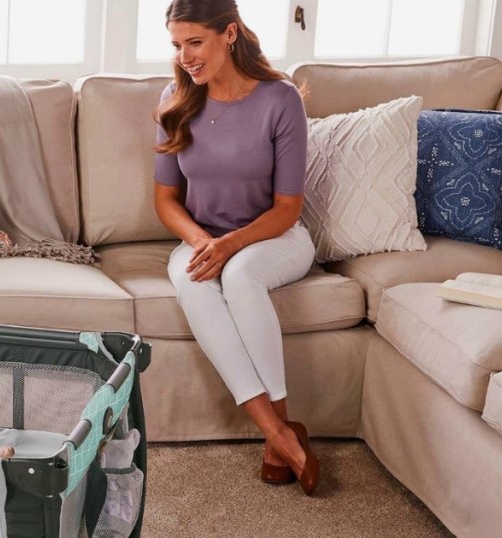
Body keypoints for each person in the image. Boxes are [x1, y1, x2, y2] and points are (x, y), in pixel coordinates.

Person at [153, 0, 319, 495]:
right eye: (178, 45)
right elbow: (165, 201)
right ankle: (278, 434)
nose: (185, 56)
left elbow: (288, 207)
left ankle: (280, 428)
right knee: (193, 278)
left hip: (274, 237)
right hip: (201, 237)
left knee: (240, 275)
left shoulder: (280, 99)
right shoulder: (175, 98)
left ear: (229, 34)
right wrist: (204, 242)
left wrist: (229, 246)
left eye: (195, 42)